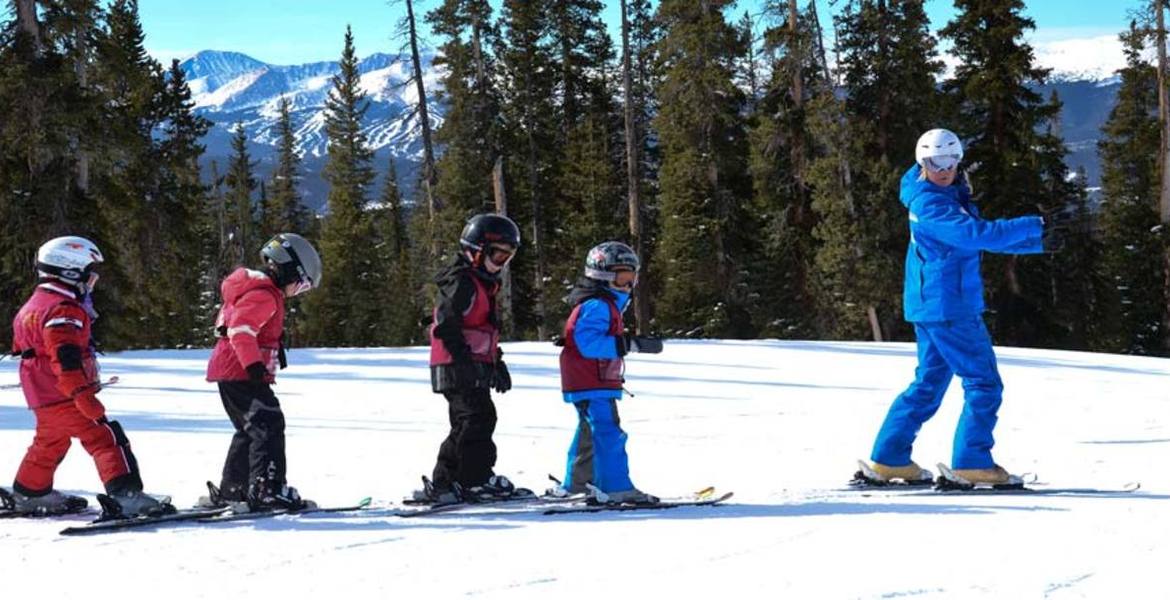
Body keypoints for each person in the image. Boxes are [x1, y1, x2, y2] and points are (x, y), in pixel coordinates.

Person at [861, 128, 1061, 486]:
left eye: (951, 160)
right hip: (949, 305)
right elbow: (974, 235)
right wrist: (1036, 228)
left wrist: (1037, 240)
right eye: (936, 162)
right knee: (983, 383)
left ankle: (889, 458)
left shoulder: (939, 191)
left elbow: (972, 235)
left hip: (934, 304)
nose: (944, 168)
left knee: (928, 384)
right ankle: (972, 462)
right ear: (923, 161)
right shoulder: (931, 203)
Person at [8, 236, 169, 518]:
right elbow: (64, 357)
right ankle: (126, 495)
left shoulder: (35, 304)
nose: (92, 279)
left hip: (42, 393)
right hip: (64, 392)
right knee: (105, 437)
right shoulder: (63, 308)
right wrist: (82, 394)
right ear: (70, 270)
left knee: (50, 441)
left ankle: (30, 492)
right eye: (88, 271)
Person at [204, 233, 322, 510]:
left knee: (251, 429)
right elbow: (241, 330)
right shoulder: (264, 296)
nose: (298, 291)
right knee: (268, 424)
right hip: (241, 372)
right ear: (289, 270)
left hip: (233, 371)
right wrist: (254, 365)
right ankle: (267, 488)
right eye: (301, 283)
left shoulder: (258, 291)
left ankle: (235, 489)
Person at [414, 214, 523, 504]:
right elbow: (447, 324)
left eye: (507, 258)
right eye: (498, 255)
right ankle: (457, 480)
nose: (501, 263)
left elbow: (483, 329)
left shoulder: (482, 283)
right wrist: (464, 362)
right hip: (455, 365)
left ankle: (466, 478)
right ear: (476, 250)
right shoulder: (462, 282)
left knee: (478, 418)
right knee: (471, 419)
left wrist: (495, 363)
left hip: (471, 365)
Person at [553, 242, 663, 504]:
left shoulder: (603, 304)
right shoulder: (598, 305)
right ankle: (615, 487)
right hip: (591, 380)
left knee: (589, 432)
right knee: (608, 431)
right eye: (621, 278)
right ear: (601, 277)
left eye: (631, 279)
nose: (627, 286)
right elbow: (586, 343)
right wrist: (630, 344)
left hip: (591, 380)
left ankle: (577, 482)